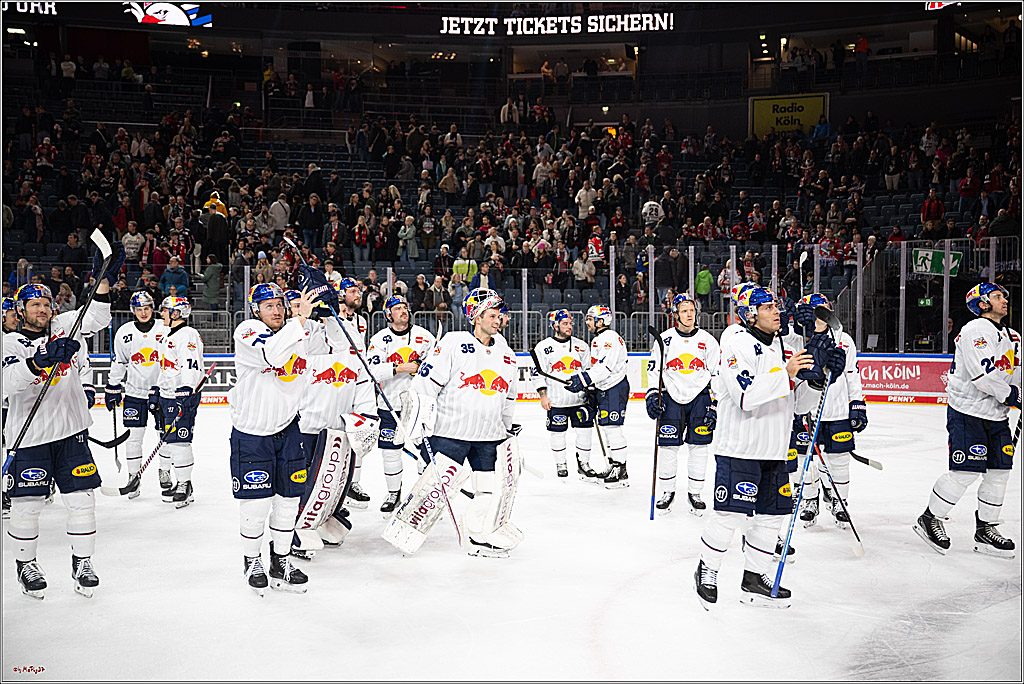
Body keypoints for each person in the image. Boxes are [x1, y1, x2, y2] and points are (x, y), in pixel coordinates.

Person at [694, 286, 842, 609]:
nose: (777, 311)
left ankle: (754, 577)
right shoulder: (736, 344)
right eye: (768, 306)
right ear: (750, 313)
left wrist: (820, 377)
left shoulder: (783, 349)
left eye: (777, 305)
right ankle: (708, 568)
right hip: (741, 448)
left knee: (771, 516)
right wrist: (787, 374)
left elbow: (797, 403)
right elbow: (745, 395)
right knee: (729, 514)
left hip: (775, 450)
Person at [2, 244, 121, 599]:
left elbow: (97, 318)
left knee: (83, 500)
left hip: (72, 434)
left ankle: (82, 562)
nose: (42, 309)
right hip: (30, 437)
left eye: (46, 303)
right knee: (27, 506)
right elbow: (6, 384)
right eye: (34, 305)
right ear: (21, 310)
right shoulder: (9, 343)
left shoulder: (66, 325)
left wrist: (101, 286)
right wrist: (38, 363)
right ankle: (26, 565)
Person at [384, 288, 521, 558]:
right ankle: (406, 530)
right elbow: (425, 385)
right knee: (435, 490)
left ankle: (479, 536)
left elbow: (509, 396)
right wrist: (420, 424)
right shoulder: (453, 343)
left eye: (499, 316)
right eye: (492, 315)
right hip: (450, 434)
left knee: (487, 489)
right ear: (475, 316)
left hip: (489, 435)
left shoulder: (507, 353)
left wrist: (506, 428)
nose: (498, 320)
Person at [914, 283, 1020, 558]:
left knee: (999, 474)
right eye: (997, 297)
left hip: (997, 416)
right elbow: (983, 377)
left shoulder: (1013, 337)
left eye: (1004, 297)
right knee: (966, 472)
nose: (1004, 300)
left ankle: (986, 529)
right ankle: (930, 518)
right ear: (982, 304)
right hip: (967, 413)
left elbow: (1016, 373)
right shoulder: (974, 331)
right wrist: (1013, 396)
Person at [288, 272, 379, 561]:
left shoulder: (349, 333)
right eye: (318, 300)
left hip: (341, 428)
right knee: (304, 479)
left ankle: (327, 515)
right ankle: (298, 525)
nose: (324, 307)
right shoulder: (301, 334)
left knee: (338, 478)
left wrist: (366, 416)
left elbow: (362, 378)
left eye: (328, 300)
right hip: (307, 427)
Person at [793, 294, 866, 529]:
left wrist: (857, 404)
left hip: (837, 411)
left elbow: (852, 374)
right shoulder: (798, 339)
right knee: (806, 460)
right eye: (817, 310)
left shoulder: (844, 339)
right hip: (807, 410)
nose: (822, 313)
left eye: (825, 309)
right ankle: (809, 500)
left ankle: (839, 501)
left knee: (839, 460)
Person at [646, 293, 720, 515]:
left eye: (692, 310)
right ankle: (667, 492)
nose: (690, 314)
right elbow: (654, 370)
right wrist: (652, 395)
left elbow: (717, 374)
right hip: (671, 397)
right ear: (675, 315)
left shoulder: (707, 340)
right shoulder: (664, 339)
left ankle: (695, 493)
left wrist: (714, 404)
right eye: (684, 311)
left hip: (700, 398)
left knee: (699, 447)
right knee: (668, 447)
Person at [366, 294, 436, 512]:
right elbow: (372, 370)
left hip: (418, 404)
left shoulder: (424, 336)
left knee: (425, 450)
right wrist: (401, 368)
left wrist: (422, 367)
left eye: (404, 307)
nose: (403, 311)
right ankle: (393, 494)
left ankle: (424, 496)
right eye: (397, 308)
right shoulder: (379, 340)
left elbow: (437, 367)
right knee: (390, 452)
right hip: (389, 405)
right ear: (388, 315)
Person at [104, 291, 168, 498]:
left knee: (165, 437)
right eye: (139, 309)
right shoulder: (124, 332)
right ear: (133, 311)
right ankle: (133, 477)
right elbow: (120, 361)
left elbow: (172, 360)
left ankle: (165, 471)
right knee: (133, 438)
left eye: (146, 308)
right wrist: (113, 386)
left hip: (162, 393)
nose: (143, 313)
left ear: (153, 308)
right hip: (134, 392)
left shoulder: (164, 328)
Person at [565, 306, 630, 487]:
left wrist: (584, 379)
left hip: (614, 387)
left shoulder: (609, 338)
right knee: (607, 427)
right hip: (606, 387)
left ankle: (620, 468)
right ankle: (614, 463)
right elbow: (598, 369)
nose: (587, 322)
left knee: (613, 428)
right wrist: (591, 386)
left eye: (590, 319)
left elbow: (605, 368)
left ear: (601, 321)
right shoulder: (600, 339)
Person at [152, 296, 204, 508]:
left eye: (165, 310)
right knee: (168, 440)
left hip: (181, 395)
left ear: (176, 313)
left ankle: (185, 484)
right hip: (167, 394)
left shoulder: (187, 334)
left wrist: (186, 390)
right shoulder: (168, 336)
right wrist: (156, 389)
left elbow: (191, 365)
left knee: (179, 441)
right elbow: (167, 367)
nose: (161, 314)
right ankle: (181, 481)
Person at [533, 309, 597, 480]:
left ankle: (584, 463)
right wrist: (543, 395)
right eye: (565, 324)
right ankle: (561, 463)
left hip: (579, 400)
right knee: (557, 433)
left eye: (570, 323)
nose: (569, 327)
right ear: (555, 326)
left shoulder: (582, 346)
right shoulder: (543, 347)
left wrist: (591, 392)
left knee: (585, 432)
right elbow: (537, 373)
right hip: (557, 400)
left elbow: (588, 371)